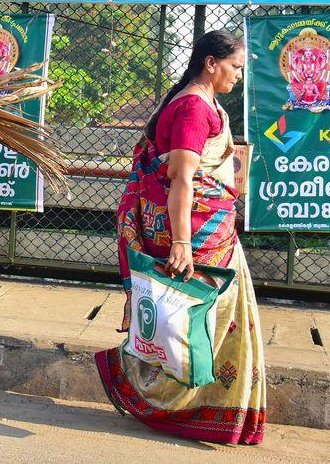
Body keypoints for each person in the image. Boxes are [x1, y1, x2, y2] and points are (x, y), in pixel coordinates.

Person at [95, 30, 266, 445]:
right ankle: (166, 404)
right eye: (235, 66)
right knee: (199, 326)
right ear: (211, 62)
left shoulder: (202, 102)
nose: (238, 76)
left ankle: (204, 409)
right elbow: (182, 180)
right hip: (198, 237)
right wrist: (182, 244)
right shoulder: (192, 107)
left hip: (213, 233)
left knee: (207, 325)